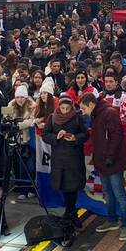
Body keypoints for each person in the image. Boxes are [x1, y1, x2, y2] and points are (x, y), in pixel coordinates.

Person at [78, 92, 126, 241]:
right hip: (102, 160)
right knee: (108, 192)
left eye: (84, 108)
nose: (84, 112)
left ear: (90, 104)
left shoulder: (109, 113)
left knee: (119, 194)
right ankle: (112, 220)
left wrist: (110, 156)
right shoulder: (96, 114)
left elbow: (116, 137)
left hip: (112, 160)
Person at [42, 94, 88, 230]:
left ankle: (71, 212)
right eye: (63, 108)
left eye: (68, 108)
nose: (65, 111)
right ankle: (69, 212)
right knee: (63, 184)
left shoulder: (77, 118)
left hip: (74, 158)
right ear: (59, 107)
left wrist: (75, 138)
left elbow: (85, 134)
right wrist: (56, 136)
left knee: (72, 186)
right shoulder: (52, 118)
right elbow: (45, 135)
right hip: (59, 158)